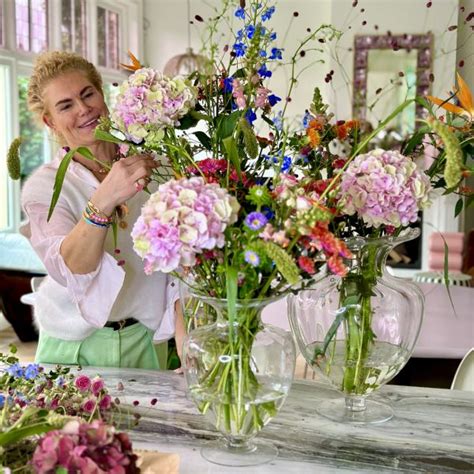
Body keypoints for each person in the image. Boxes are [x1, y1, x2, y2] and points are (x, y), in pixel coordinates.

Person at [20, 51, 185, 369]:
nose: (83, 110)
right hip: (71, 347)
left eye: (88, 94)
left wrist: (184, 331)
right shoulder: (43, 188)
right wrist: (103, 199)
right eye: (66, 105)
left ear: (102, 93)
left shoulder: (159, 165)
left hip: (146, 341)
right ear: (49, 121)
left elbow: (182, 258)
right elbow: (70, 268)